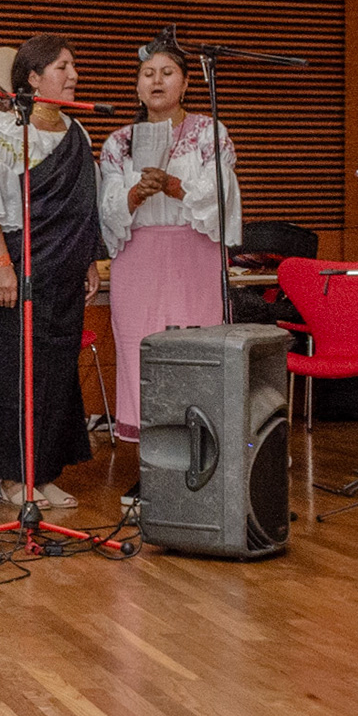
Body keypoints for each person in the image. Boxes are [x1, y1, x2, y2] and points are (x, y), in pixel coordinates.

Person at [0, 33, 101, 510]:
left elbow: (83, 206)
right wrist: (1, 265)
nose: (73, 75)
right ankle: (13, 477)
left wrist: (88, 259)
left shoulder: (78, 132)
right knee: (13, 373)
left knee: (56, 374)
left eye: (73, 66)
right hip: (17, 271)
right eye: (63, 67)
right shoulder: (4, 128)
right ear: (34, 78)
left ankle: (43, 470)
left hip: (64, 276)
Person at [98, 36, 239, 501]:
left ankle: (199, 463)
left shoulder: (209, 132)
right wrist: (136, 193)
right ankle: (154, 467)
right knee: (141, 354)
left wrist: (175, 186)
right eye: (147, 74)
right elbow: (108, 206)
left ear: (186, 82)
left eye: (167, 72)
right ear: (137, 85)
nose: (156, 81)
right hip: (138, 258)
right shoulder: (119, 142)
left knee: (193, 351)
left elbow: (222, 195)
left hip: (193, 252)